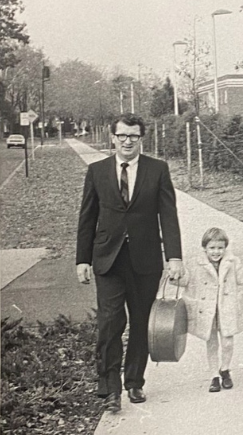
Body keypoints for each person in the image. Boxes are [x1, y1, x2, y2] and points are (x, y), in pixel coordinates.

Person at [76, 113, 183, 412]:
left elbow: (168, 215)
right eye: (122, 135)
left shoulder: (157, 169)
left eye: (133, 136)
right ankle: (109, 389)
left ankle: (134, 382)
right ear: (113, 137)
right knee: (109, 323)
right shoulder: (96, 171)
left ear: (141, 139)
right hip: (108, 260)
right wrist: (82, 259)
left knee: (140, 323)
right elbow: (87, 218)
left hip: (145, 259)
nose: (127, 141)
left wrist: (174, 256)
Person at [178, 227, 243, 393]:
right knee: (212, 342)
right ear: (205, 248)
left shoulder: (232, 262)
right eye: (212, 248)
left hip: (226, 308)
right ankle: (214, 375)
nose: (216, 252)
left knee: (227, 342)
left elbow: (241, 279)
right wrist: (177, 275)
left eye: (220, 248)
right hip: (207, 310)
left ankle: (225, 369)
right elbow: (185, 280)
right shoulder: (195, 264)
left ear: (225, 248)